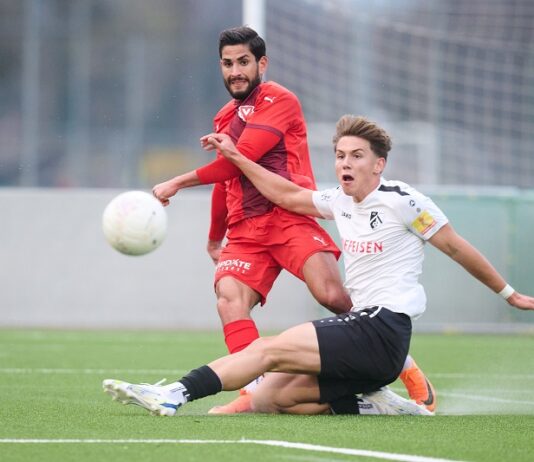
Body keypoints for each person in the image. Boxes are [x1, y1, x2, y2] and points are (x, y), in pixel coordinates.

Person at [103, 114, 534, 417]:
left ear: (379, 164)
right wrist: (236, 159)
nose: (345, 163)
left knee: (266, 351)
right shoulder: (338, 200)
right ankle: (376, 404)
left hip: (383, 327)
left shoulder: (404, 201)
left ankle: (174, 394)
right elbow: (287, 195)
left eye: (357, 156)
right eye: (341, 155)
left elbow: (456, 247)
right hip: (367, 344)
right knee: (270, 400)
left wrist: (508, 294)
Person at [152, 26, 435, 413]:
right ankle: (252, 393)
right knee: (229, 300)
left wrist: (176, 182)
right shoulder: (224, 116)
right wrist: (216, 235)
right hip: (246, 229)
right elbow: (226, 177)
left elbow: (239, 160)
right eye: (227, 63)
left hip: (289, 215)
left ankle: (403, 364)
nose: (235, 71)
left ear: (261, 64)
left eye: (243, 62)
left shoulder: (280, 100)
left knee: (331, 296)